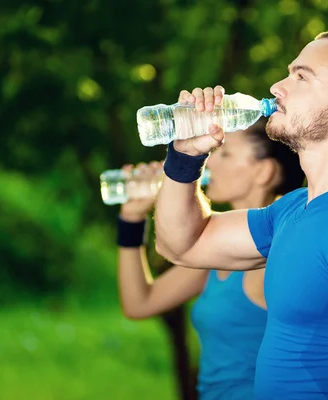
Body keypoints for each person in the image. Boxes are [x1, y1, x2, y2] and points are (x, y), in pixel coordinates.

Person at [153, 28, 328, 399]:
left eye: (302, 77)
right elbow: (180, 245)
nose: (277, 87)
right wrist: (186, 156)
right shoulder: (293, 211)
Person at [115, 120, 305, 400]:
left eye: (225, 154)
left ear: (263, 171)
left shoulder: (281, 250)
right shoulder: (219, 251)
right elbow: (138, 303)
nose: (210, 163)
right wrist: (132, 219)